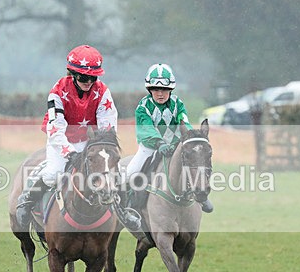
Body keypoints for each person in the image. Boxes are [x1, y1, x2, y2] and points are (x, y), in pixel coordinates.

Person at [15, 44, 141, 231]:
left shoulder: (102, 91)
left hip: (90, 144)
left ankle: (123, 212)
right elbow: (56, 128)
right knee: (53, 174)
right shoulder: (57, 91)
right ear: (72, 74)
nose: (88, 81)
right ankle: (27, 201)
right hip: (61, 140)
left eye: (93, 77)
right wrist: (70, 153)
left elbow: (107, 125)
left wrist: (101, 148)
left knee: (115, 175)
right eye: (83, 77)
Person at [123, 63, 213, 213]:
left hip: (175, 146)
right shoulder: (143, 107)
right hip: (150, 147)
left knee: (195, 164)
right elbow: (146, 129)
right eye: (156, 89)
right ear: (149, 89)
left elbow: (184, 122)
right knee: (131, 172)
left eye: (164, 90)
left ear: (170, 90)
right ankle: (130, 204)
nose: (160, 94)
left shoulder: (178, 104)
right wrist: (159, 143)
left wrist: (191, 137)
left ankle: (202, 196)